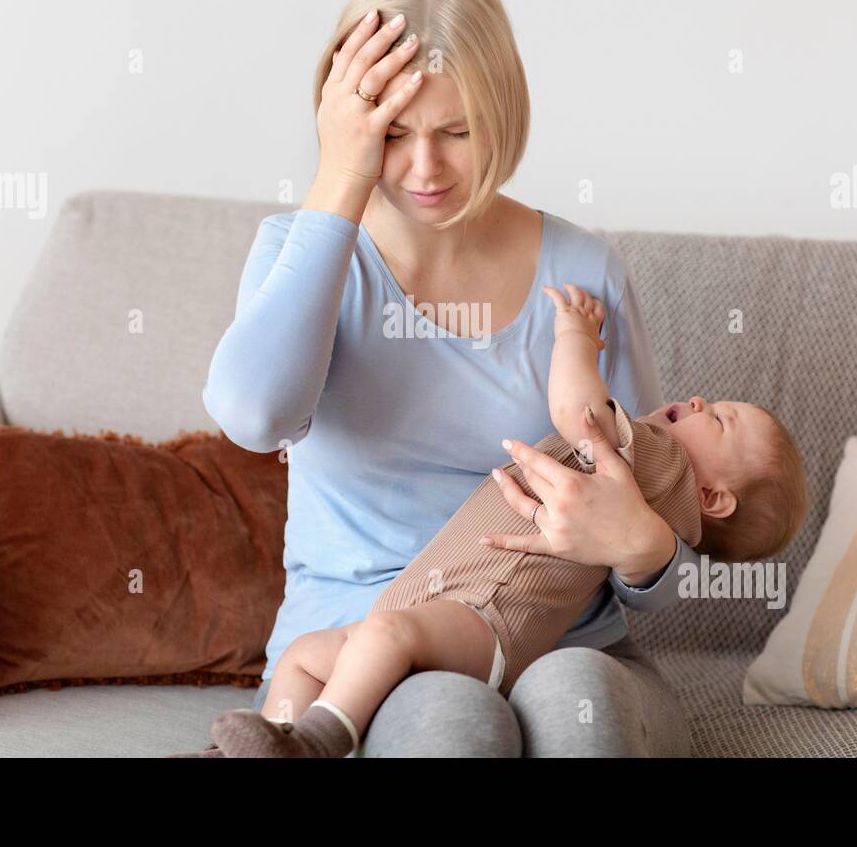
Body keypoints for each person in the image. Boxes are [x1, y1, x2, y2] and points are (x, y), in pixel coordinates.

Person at [201, 0, 708, 756]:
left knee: (579, 704)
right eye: (394, 134)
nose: (426, 168)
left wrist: (642, 547)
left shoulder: (584, 271)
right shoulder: (299, 252)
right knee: (451, 723)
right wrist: (341, 177)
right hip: (356, 659)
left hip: (567, 642)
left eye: (458, 131)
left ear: (502, 116)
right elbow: (255, 418)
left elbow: (657, 546)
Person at [199, 282, 806, 757]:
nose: (700, 400)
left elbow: (577, 411)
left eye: (720, 418)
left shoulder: (661, 461)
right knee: (307, 654)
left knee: (385, 643)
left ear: (713, 498)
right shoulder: (658, 478)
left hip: (485, 613)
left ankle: (315, 740)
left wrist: (574, 335)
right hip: (443, 603)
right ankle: (267, 746)